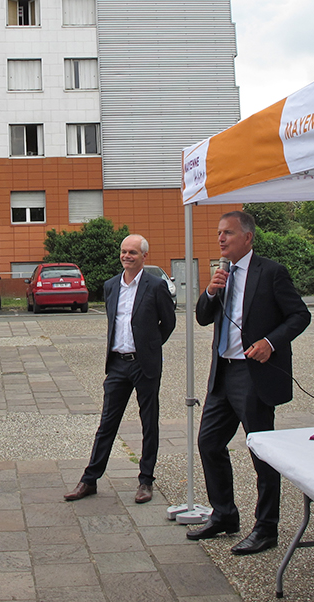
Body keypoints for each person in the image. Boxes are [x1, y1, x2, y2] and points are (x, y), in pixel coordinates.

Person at [187, 210, 310, 554]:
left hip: (254, 376)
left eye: (227, 233)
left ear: (248, 237)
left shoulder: (271, 272)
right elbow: (201, 317)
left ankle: (266, 528)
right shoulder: (221, 273)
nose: (221, 238)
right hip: (223, 372)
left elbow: (300, 315)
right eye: (219, 233)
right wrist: (210, 292)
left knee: (263, 454)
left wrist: (270, 343)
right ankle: (224, 514)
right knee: (209, 443)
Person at [65, 234, 176, 504]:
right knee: (106, 424)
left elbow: (169, 323)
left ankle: (146, 480)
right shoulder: (111, 286)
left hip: (144, 365)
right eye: (124, 252)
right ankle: (89, 480)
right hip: (117, 365)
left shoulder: (156, 286)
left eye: (133, 253)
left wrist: (149, 347)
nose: (127, 256)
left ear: (144, 256)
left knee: (148, 423)